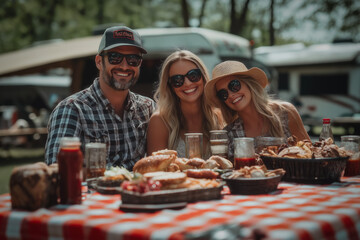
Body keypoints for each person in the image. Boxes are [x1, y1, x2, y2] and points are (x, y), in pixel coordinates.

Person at [45, 26, 155, 170]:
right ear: (99, 62)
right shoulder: (72, 109)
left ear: (139, 64)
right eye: (115, 57)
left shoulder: (147, 108)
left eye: (133, 59)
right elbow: (59, 172)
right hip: (92, 192)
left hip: (136, 191)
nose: (124, 66)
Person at [204, 60, 310, 160]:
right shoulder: (229, 134)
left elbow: (310, 154)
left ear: (248, 84)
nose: (231, 95)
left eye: (234, 86)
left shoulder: (285, 112)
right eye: (223, 94)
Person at [147, 50, 224, 158]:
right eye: (177, 80)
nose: (187, 83)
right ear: (170, 86)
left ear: (203, 77)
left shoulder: (219, 117)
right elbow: (156, 170)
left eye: (193, 75)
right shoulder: (160, 121)